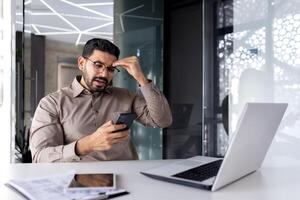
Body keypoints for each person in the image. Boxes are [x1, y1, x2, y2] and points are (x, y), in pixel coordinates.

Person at [29, 38, 172, 162]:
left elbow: (162, 120)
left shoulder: (126, 96)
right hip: (80, 182)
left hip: (129, 177)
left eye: (110, 69)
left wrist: (141, 78)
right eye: (98, 65)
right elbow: (40, 157)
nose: (104, 74)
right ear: (81, 63)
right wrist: (88, 144)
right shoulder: (51, 103)